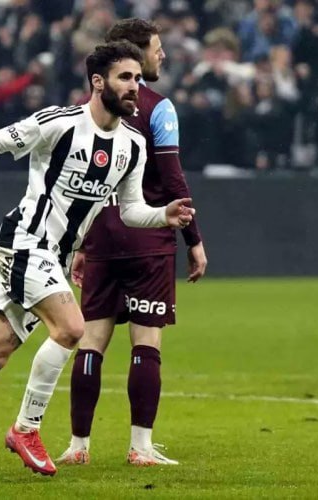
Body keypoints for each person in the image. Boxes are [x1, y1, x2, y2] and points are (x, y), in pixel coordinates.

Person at [0, 41, 196, 481]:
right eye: (125, 77)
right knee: (71, 328)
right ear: (98, 82)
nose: (134, 87)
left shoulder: (133, 146)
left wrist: (164, 215)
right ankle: (26, 429)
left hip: (55, 259)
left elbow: (129, 211)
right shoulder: (60, 123)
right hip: (24, 242)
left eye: (138, 79)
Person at [56, 18, 207, 468]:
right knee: (146, 342)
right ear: (138, 53)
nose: (162, 56)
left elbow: (80, 182)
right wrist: (194, 239)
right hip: (148, 237)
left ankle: (78, 446)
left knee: (91, 342)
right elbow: (173, 178)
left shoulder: (89, 109)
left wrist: (81, 244)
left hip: (101, 236)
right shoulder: (159, 108)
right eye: (157, 49)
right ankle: (140, 447)